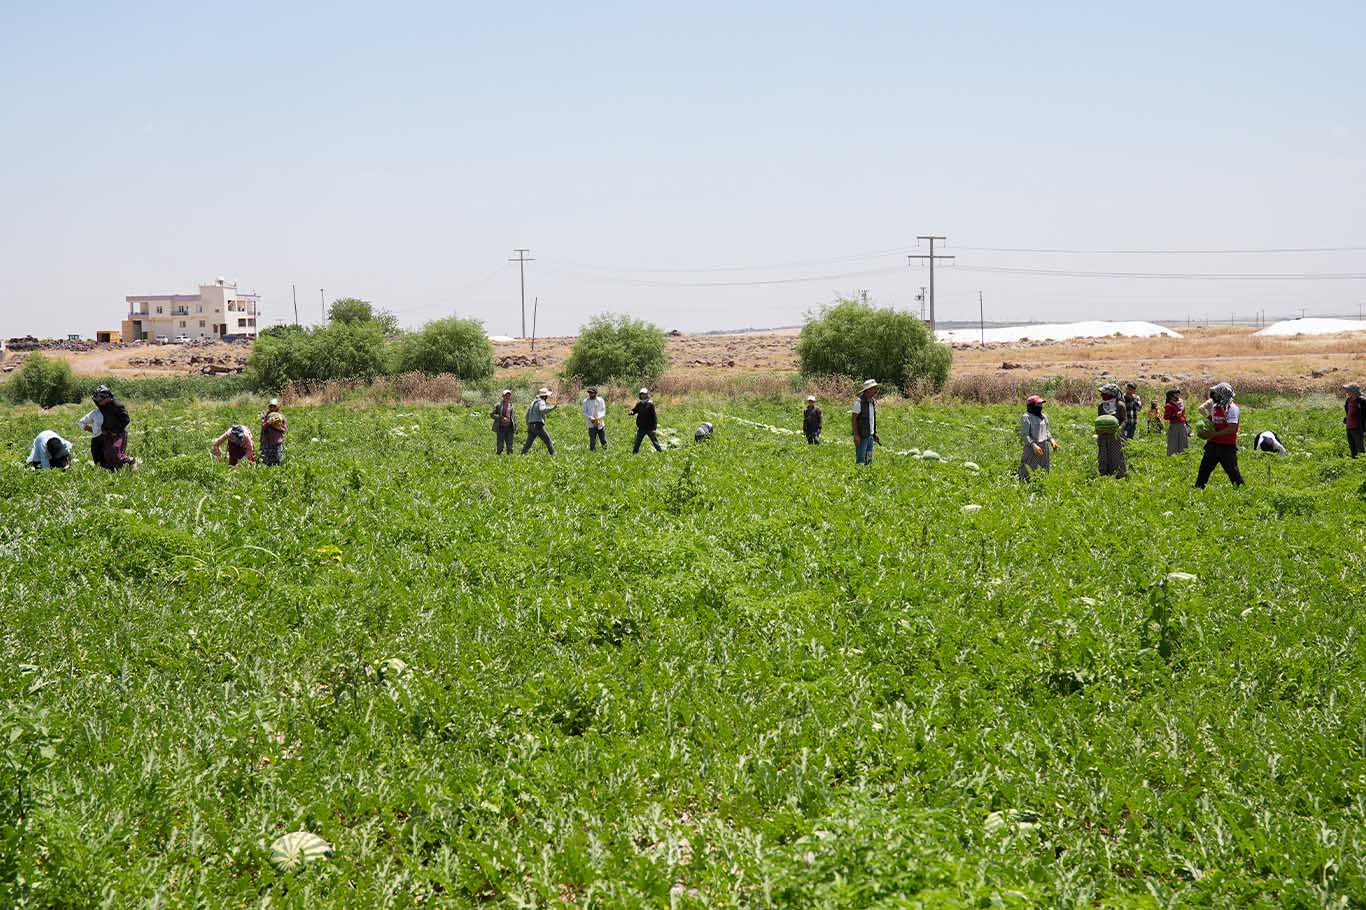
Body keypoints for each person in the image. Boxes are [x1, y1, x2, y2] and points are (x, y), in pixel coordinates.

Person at [1195, 382, 1244, 488]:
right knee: (1204, 468)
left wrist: (1214, 434)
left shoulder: (1232, 409)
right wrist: (1204, 432)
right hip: (1213, 444)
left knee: (1232, 471)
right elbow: (1213, 423)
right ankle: (1198, 488)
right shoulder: (1216, 407)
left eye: (1216, 394)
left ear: (1223, 395)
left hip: (1227, 446)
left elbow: (1232, 428)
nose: (1214, 396)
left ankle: (1241, 490)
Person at [94, 385, 136, 470]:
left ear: (106, 397)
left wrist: (116, 430)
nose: (98, 402)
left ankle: (131, 461)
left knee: (115, 453)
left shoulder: (117, 405)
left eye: (100, 399)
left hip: (119, 433)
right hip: (108, 432)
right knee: (106, 454)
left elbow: (126, 420)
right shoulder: (103, 406)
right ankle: (115, 471)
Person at [1018, 394, 1058, 480]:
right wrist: (1033, 445)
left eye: (1041, 404)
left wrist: (1051, 440)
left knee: (1044, 467)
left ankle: (1042, 483)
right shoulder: (1027, 417)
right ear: (1032, 405)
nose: (1040, 406)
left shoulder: (1043, 416)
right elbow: (1025, 435)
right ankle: (1024, 483)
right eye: (1038, 404)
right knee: (1028, 468)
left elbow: (1046, 431)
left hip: (1043, 446)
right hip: (1031, 448)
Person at [1096, 383, 1128, 478]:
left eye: (1105, 394)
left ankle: (1119, 475)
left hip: (1116, 435)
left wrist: (1119, 429)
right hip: (1103, 434)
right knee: (1103, 454)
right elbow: (1100, 419)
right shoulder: (1101, 406)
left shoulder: (1120, 405)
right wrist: (1099, 430)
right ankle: (1104, 474)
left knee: (1117, 454)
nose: (1102, 396)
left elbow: (1125, 420)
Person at [851, 379, 880, 465]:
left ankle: (868, 475)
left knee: (869, 459)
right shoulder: (859, 402)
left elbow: (872, 419)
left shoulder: (872, 402)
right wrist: (856, 435)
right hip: (862, 436)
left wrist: (875, 433)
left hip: (870, 436)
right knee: (861, 459)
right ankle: (859, 476)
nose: (875, 391)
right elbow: (854, 420)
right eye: (873, 388)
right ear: (868, 390)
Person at [522, 387, 556, 455]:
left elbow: (527, 415)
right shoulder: (541, 401)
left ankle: (522, 455)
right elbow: (542, 410)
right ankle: (554, 456)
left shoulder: (533, 402)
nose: (547, 397)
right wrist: (553, 408)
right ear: (544, 396)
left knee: (528, 444)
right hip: (538, 425)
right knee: (548, 441)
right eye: (547, 396)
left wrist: (528, 425)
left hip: (531, 425)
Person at [630, 388, 663, 453]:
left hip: (649, 428)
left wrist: (654, 428)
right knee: (637, 442)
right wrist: (632, 412)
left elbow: (654, 417)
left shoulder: (650, 404)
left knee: (655, 442)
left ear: (647, 395)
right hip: (641, 427)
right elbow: (635, 410)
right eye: (641, 394)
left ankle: (661, 452)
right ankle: (634, 453)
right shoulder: (639, 403)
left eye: (644, 394)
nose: (643, 396)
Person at [78, 395, 105, 468]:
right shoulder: (95, 413)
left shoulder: (111, 412)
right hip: (97, 438)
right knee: (97, 459)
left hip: (108, 438)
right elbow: (81, 422)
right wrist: (92, 430)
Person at [260, 397, 287, 466]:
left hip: (276, 441)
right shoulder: (265, 416)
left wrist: (276, 426)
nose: (272, 408)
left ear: (277, 407)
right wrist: (269, 422)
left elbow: (284, 429)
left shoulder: (281, 417)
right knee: (266, 460)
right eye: (270, 406)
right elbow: (263, 428)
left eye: (274, 406)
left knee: (277, 460)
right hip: (266, 441)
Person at [1163, 388, 1190, 455]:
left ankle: (1183, 456)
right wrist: (1175, 415)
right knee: (1173, 442)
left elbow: (1183, 414)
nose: (1178, 395)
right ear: (1171, 396)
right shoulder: (1169, 405)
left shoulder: (1181, 403)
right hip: (1174, 425)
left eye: (1178, 393)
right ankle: (1172, 456)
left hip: (1182, 424)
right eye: (1176, 394)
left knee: (1183, 441)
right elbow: (1166, 417)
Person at [491, 389, 518, 455]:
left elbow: (513, 417)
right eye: (506, 396)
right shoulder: (498, 405)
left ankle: (510, 460)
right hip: (501, 428)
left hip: (510, 428)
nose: (508, 397)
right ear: (503, 396)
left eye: (509, 396)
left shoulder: (511, 405)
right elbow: (492, 414)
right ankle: (497, 458)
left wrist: (516, 426)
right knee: (500, 446)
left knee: (510, 446)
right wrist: (501, 418)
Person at [581, 387, 607, 451]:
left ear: (595, 393)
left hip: (600, 423)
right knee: (592, 441)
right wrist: (590, 417)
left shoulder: (600, 400)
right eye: (589, 393)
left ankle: (606, 452)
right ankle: (592, 453)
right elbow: (584, 412)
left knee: (603, 439)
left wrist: (599, 418)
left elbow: (603, 410)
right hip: (591, 424)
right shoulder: (585, 401)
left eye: (591, 393)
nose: (590, 394)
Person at [1344, 383, 1364, 458]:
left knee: (1360, 449)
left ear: (1353, 391)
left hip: (1358, 428)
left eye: (1348, 390)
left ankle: (1362, 464)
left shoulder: (1362, 401)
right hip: (1349, 427)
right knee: (1352, 447)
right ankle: (1354, 463)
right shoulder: (1348, 400)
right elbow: (1348, 412)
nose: (1346, 392)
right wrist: (1346, 418)